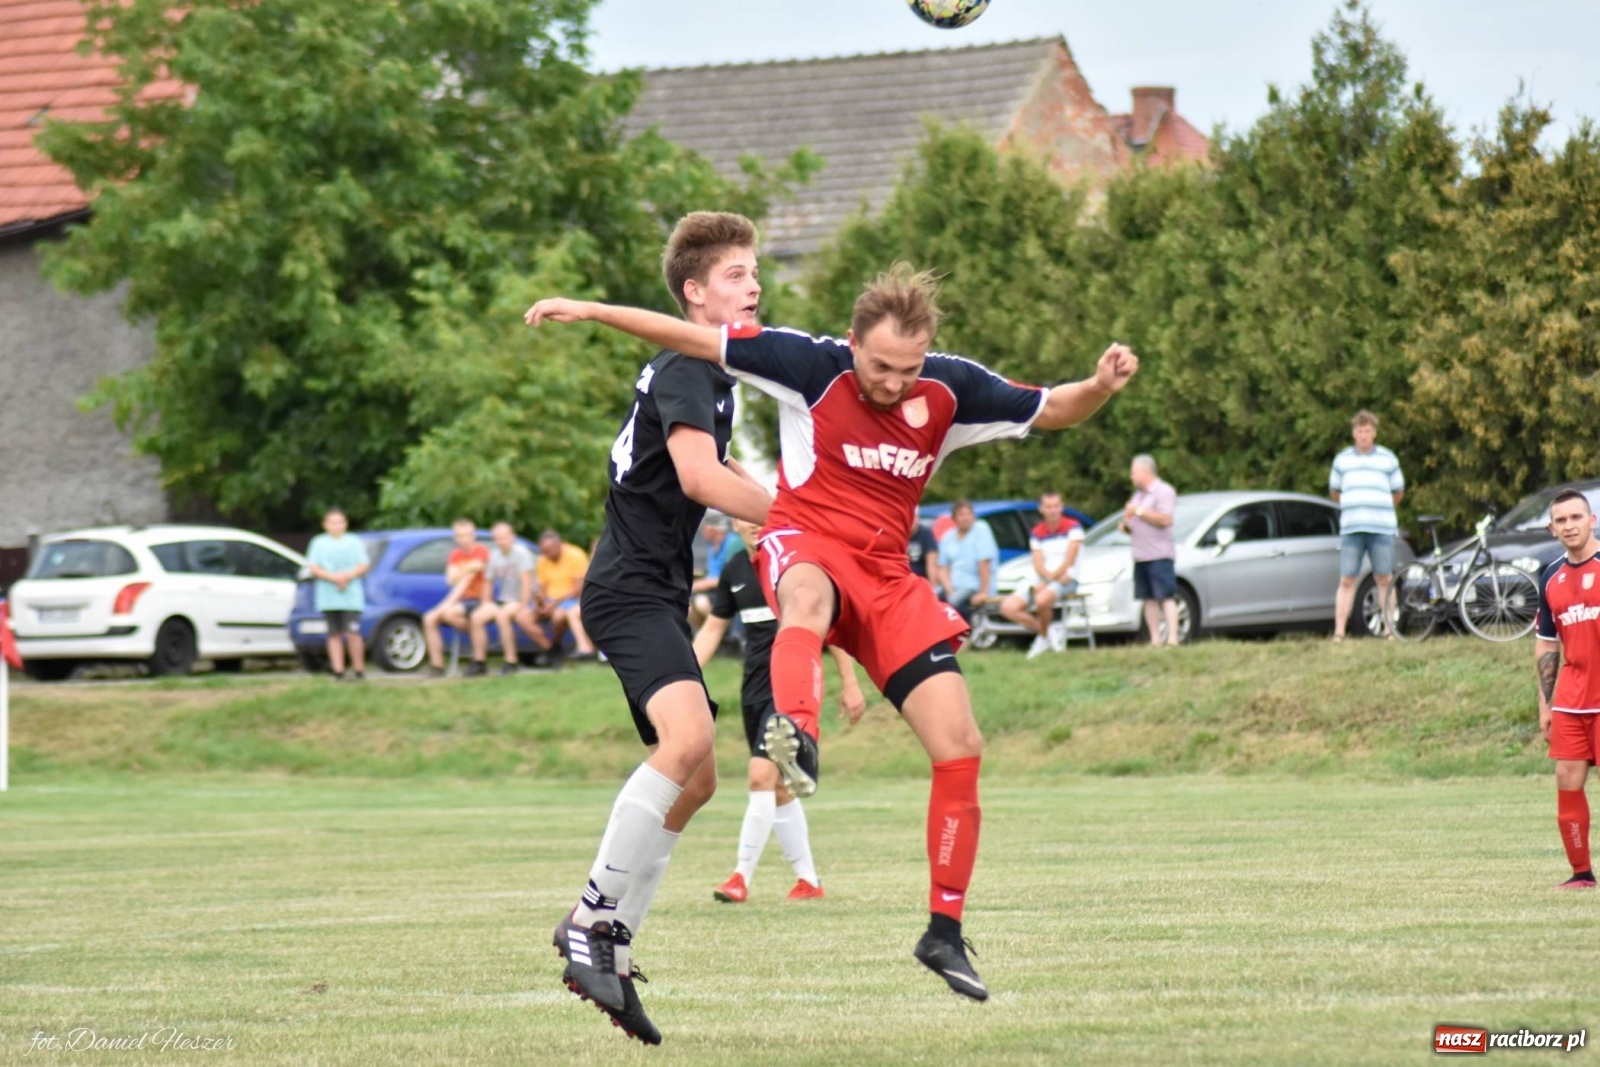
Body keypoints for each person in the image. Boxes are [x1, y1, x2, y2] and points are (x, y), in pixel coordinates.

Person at [526, 261, 1137, 1003]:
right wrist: (592, 309)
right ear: (853, 343)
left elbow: (1050, 406)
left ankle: (944, 929)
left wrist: (1100, 387)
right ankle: (794, 733)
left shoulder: (950, 387)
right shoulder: (810, 364)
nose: (892, 381)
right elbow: (691, 337)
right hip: (806, 544)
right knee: (806, 602)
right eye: (879, 365)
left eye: (906, 368)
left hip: (885, 573)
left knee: (960, 741)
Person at [527, 212, 774, 1045]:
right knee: (688, 738)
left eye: (754, 271)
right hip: (628, 589)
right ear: (696, 295)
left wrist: (762, 508)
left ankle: (612, 945)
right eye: (738, 274)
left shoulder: (714, 377)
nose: (755, 284)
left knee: (697, 777)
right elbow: (700, 475)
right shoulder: (683, 368)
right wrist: (793, 515)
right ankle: (589, 921)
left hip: (657, 591)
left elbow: (711, 468)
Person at [692, 518, 867, 904]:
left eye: (760, 517)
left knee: (759, 776)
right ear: (735, 523)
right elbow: (712, 631)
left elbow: (830, 628)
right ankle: (809, 881)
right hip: (753, 689)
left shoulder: (793, 563)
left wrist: (849, 682)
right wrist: (682, 676)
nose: (754, 525)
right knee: (779, 788)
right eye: (745, 519)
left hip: (791, 687)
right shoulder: (736, 568)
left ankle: (740, 878)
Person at [1535, 488, 1600, 890]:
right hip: (1572, 699)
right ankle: (1582, 874)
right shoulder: (1550, 576)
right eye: (1561, 520)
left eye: (1576, 517)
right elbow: (1546, 643)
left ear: (1592, 520)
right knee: (1566, 779)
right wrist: (1545, 703)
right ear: (1552, 527)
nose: (1569, 526)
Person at [1329, 410, 1404, 641]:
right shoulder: (1342, 460)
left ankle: (1389, 629)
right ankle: (1339, 632)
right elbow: (1335, 492)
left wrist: (1379, 508)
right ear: (1354, 433)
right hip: (1352, 528)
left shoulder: (1388, 459)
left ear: (1374, 433)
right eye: (1360, 431)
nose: (1363, 435)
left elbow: (1398, 491)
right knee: (1347, 579)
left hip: (1381, 528)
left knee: (1384, 578)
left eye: (1368, 431)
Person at [999, 492, 1084, 659]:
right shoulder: (1037, 532)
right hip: (1043, 578)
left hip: (1066, 578)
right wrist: (1045, 579)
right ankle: (1048, 632)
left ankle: (1044, 638)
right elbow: (1038, 562)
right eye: (1048, 507)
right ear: (1041, 509)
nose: (1053, 511)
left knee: (1042, 600)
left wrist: (1048, 580)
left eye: (1056, 506)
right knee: (1007, 608)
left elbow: (1069, 561)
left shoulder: (1074, 527)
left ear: (1061, 507)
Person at [471, 522, 548, 674]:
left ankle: (511, 660)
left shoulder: (521, 553)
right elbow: (488, 581)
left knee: (502, 616)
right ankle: (479, 661)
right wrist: (485, 602)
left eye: (504, 538)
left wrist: (524, 605)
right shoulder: (495, 556)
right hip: (503, 599)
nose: (501, 541)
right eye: (497, 538)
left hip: (520, 598)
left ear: (512, 537)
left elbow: (527, 582)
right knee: (476, 617)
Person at [1120, 455, 1178, 647]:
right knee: (1148, 598)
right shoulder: (1138, 495)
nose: (1131, 477)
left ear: (1146, 472)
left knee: (1165, 596)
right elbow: (1135, 522)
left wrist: (1138, 512)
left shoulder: (1164, 491)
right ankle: (1155, 640)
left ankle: (1173, 639)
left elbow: (1165, 520)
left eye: (1134, 472)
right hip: (1141, 555)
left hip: (1160, 554)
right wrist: (1127, 524)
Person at [305, 507, 369, 680]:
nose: (336, 526)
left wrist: (346, 577)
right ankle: (338, 670)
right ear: (325, 525)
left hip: (351, 597)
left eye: (340, 522)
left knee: (352, 633)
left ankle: (358, 669)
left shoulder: (354, 542)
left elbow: (363, 565)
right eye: (332, 522)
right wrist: (333, 578)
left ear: (345, 524)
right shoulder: (318, 543)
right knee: (334, 634)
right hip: (328, 597)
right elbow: (313, 567)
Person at [423, 518, 489, 677]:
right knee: (429, 619)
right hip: (459, 602)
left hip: (477, 600)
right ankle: (437, 666)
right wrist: (466, 568)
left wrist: (446, 604)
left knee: (448, 613)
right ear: (456, 538)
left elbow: (465, 580)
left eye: (468, 535)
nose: (465, 539)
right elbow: (450, 580)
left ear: (474, 535)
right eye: (461, 536)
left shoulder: (482, 550)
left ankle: (479, 656)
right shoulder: (455, 554)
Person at [534, 529, 597, 660]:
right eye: (543, 551)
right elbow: (542, 589)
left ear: (558, 545)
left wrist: (554, 603)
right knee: (525, 617)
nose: (545, 554)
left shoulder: (575, 555)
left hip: (573, 599)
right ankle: (551, 649)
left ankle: (582, 648)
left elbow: (578, 589)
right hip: (552, 601)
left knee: (559, 616)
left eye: (548, 550)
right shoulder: (543, 560)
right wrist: (541, 603)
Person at [937, 501, 998, 623]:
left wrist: (984, 592)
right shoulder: (948, 537)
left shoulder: (981, 529)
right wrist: (949, 588)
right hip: (954, 585)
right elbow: (942, 567)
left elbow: (984, 564)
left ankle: (965, 633)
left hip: (973, 585)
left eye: (968, 514)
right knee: (934, 599)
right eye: (961, 515)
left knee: (954, 602)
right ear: (954, 518)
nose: (965, 518)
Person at [688, 515, 743, 627]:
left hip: (728, 591)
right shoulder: (711, 546)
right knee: (688, 608)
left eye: (703, 529)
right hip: (713, 590)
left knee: (701, 603)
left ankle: (722, 633)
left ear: (710, 530)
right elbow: (711, 573)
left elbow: (733, 575)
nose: (702, 533)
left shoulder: (732, 544)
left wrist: (702, 585)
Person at [908, 518, 939, 589]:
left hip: (921, 581)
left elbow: (932, 564)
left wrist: (933, 587)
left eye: (914, 517)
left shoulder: (925, 534)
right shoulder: (897, 534)